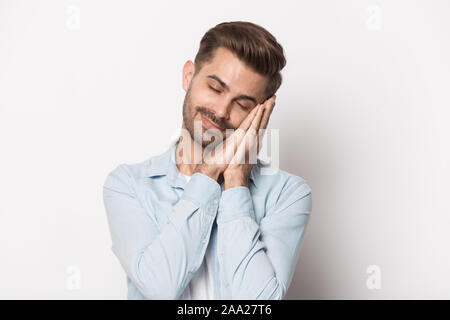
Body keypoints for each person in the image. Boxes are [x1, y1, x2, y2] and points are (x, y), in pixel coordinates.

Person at [103, 21, 312, 300]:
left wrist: (236, 180)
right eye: (215, 88)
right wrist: (209, 172)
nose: (222, 111)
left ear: (260, 114)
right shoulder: (128, 185)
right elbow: (160, 289)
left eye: (243, 105)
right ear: (189, 75)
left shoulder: (287, 194)